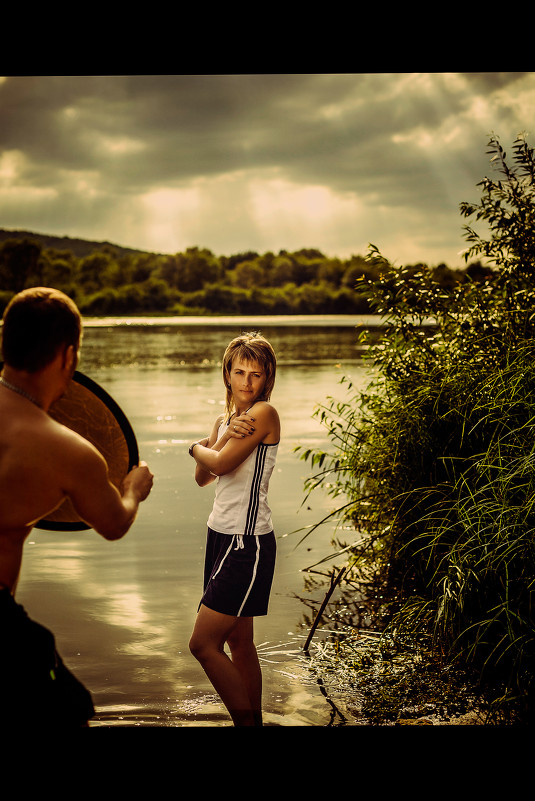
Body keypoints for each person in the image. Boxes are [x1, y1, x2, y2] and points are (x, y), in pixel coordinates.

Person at [0, 286, 154, 727]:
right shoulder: (70, 451)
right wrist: (133, 488)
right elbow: (113, 522)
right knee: (70, 711)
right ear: (68, 357)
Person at [188, 332, 280, 726]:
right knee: (239, 642)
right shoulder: (225, 420)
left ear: (266, 379)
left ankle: (245, 724)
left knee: (202, 644)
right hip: (219, 535)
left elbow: (218, 465)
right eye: (239, 372)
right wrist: (219, 435)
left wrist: (195, 446)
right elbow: (202, 479)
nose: (246, 382)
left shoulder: (264, 414)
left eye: (255, 374)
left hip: (247, 543)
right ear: (227, 374)